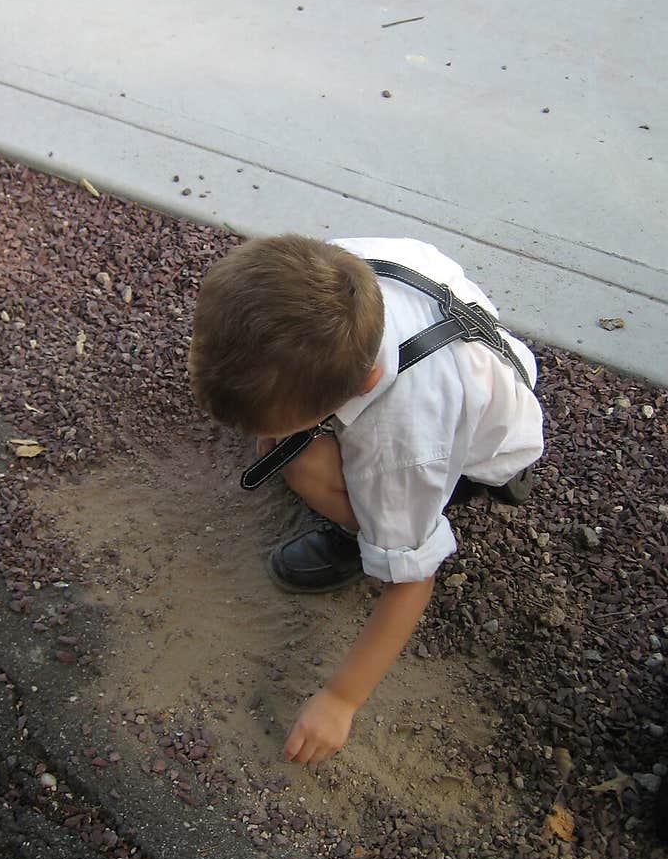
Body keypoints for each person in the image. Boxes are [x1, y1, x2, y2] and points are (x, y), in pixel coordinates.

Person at [189, 233, 544, 767]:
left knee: (302, 467)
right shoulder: (335, 275)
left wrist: (341, 698)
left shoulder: (404, 448)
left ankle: (361, 534)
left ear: (363, 385)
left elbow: (414, 581)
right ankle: (305, 432)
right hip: (476, 365)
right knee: (293, 442)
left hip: (474, 448)